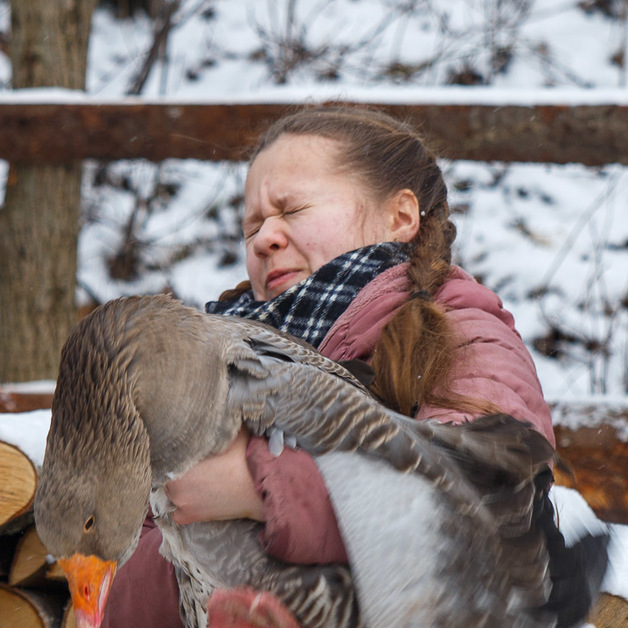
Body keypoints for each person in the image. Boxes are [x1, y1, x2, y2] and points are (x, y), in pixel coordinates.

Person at [102, 105, 556, 627]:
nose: (264, 239)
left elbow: (489, 506)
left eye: (291, 211)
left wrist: (259, 489)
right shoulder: (206, 363)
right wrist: (198, 561)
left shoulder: (460, 335)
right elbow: (124, 575)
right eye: (252, 226)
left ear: (401, 218)